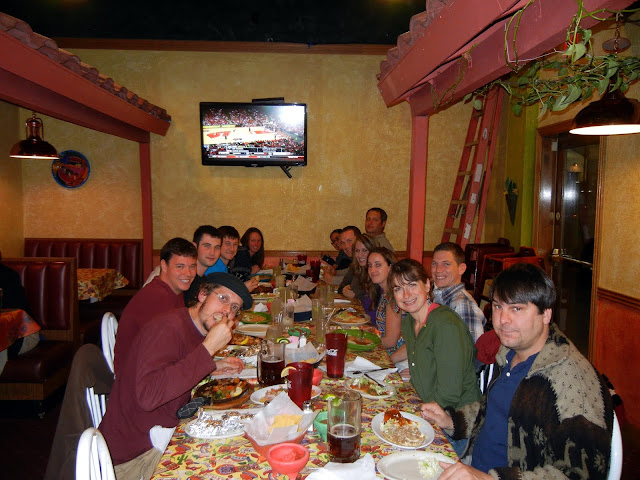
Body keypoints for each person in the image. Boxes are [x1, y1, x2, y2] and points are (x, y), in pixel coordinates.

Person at [420, 264, 614, 479]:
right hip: (471, 464)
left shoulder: (573, 382)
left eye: (517, 309)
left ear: (546, 314)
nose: (503, 319)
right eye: (497, 307)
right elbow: (495, 410)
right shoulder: (509, 353)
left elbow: (581, 472)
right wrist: (451, 420)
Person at [100, 273, 251, 480]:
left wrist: (210, 366)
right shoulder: (167, 328)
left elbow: (172, 368)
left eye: (234, 307)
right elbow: (148, 396)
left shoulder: (191, 325)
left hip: (161, 433)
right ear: (202, 294)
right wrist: (207, 350)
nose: (227, 311)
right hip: (134, 457)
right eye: (223, 298)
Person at [389, 258, 480, 409]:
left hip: (456, 416)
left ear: (427, 285)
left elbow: (449, 394)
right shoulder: (409, 323)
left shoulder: (445, 325)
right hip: (426, 402)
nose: (406, 295)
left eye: (412, 285)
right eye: (398, 288)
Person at [113, 238, 197, 376]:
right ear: (164, 266)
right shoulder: (155, 298)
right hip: (136, 380)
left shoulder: (173, 290)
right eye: (180, 266)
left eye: (192, 266)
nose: (188, 273)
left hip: (153, 368)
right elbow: (171, 351)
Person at [431, 242, 485, 343]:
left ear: (461, 269)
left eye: (446, 264)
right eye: (435, 264)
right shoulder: (437, 297)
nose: (438, 270)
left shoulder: (463, 305)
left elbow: (471, 352)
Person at [367, 247, 405, 364]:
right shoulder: (385, 293)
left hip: (396, 356)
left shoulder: (393, 297)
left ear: (390, 267)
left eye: (378, 265)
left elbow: (391, 341)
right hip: (386, 351)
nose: (372, 270)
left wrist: (362, 342)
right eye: (369, 265)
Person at [204, 226, 258, 291]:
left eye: (235, 244)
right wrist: (243, 288)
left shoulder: (223, 266)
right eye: (227, 243)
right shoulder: (214, 268)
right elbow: (218, 295)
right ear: (218, 244)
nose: (232, 249)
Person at [338, 233, 377, 319]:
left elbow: (373, 301)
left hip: (369, 318)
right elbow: (341, 286)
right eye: (357, 251)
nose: (360, 255)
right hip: (356, 315)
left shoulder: (376, 274)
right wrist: (344, 290)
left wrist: (355, 296)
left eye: (364, 250)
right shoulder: (355, 267)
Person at [183, 225, 222, 307]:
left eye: (217, 247)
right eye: (207, 246)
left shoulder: (204, 280)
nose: (212, 252)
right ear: (194, 246)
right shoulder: (185, 279)